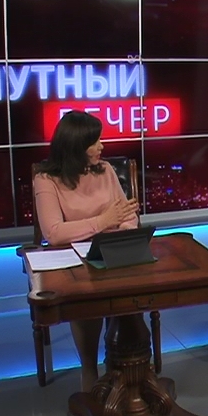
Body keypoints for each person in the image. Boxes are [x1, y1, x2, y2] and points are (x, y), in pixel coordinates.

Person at [33, 110, 139, 391]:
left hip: (113, 251)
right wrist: (103, 221)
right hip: (74, 259)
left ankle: (125, 368)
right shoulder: (46, 179)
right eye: (94, 142)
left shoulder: (105, 170)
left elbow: (127, 215)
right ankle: (90, 371)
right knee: (88, 297)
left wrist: (125, 229)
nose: (101, 146)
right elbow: (54, 233)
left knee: (134, 293)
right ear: (75, 146)